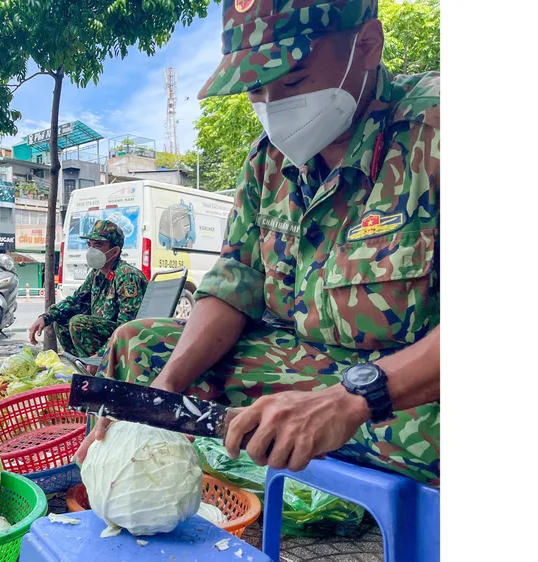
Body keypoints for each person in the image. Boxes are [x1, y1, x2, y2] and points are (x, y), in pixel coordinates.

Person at [76, 0, 440, 487]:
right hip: (307, 365)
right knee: (140, 349)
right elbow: (233, 286)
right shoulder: (267, 161)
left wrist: (352, 400)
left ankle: (321, 499)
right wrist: (163, 394)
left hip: (413, 387)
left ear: (367, 45)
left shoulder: (438, 130)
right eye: (254, 88)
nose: (272, 105)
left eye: (290, 81)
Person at [28, 220, 147, 365]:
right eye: (89, 244)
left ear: (115, 251)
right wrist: (46, 317)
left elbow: (127, 326)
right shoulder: (97, 274)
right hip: (107, 336)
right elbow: (76, 301)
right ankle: (84, 366)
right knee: (62, 320)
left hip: (126, 341)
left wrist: (101, 355)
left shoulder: (127, 276)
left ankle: (96, 366)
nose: (91, 250)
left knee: (78, 323)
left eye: (98, 245)